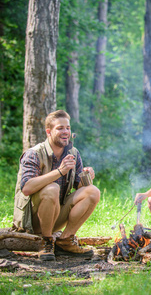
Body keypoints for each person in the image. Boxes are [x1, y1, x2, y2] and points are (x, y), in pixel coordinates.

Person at [13, 110, 100, 261]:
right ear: (49, 132)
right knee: (52, 188)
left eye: (68, 128)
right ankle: (46, 242)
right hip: (32, 221)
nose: (65, 131)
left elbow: (80, 188)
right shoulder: (34, 154)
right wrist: (60, 171)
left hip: (56, 215)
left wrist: (87, 176)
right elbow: (27, 188)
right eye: (60, 128)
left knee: (92, 191)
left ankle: (65, 240)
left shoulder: (73, 153)